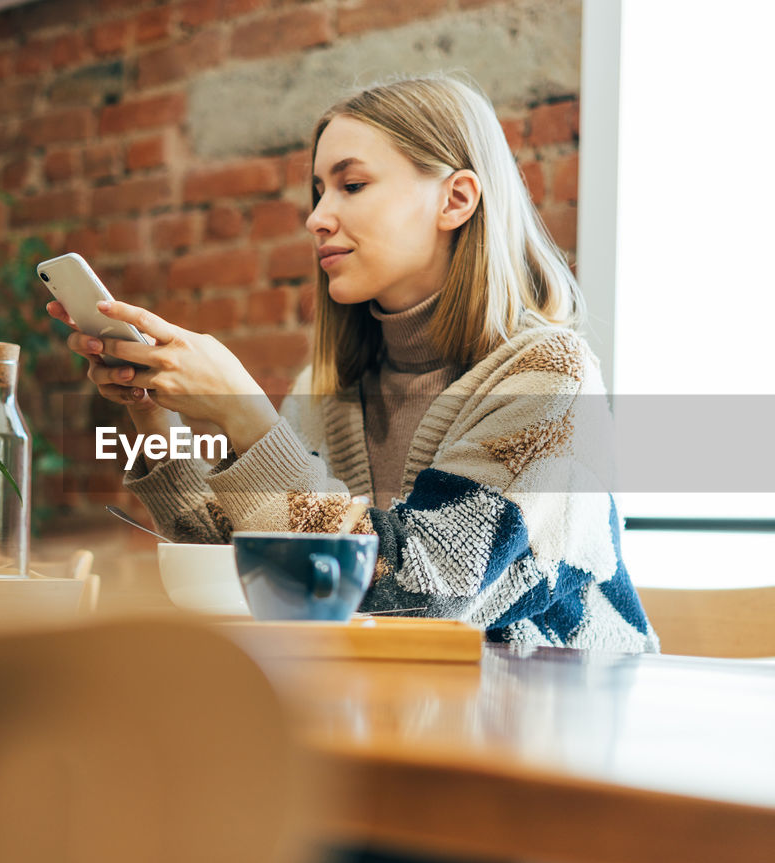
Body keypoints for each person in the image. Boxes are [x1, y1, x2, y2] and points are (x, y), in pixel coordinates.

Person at [47, 75, 658, 653]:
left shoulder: (551, 377)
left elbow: (428, 590)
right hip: (408, 720)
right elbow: (242, 567)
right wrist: (151, 422)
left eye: (352, 185)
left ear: (457, 199)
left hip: (558, 733)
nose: (317, 217)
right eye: (317, 192)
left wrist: (249, 421)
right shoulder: (329, 392)